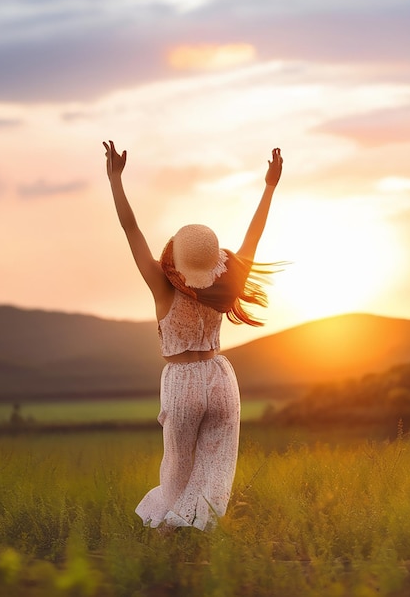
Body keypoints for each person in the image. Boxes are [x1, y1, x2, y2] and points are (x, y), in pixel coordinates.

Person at [103, 140, 283, 531]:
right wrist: (269, 186)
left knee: (177, 474)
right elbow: (253, 237)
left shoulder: (163, 288)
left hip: (182, 383)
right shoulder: (227, 285)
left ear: (177, 258)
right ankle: (199, 533)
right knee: (215, 469)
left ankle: (168, 538)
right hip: (220, 379)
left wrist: (115, 180)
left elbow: (130, 229)